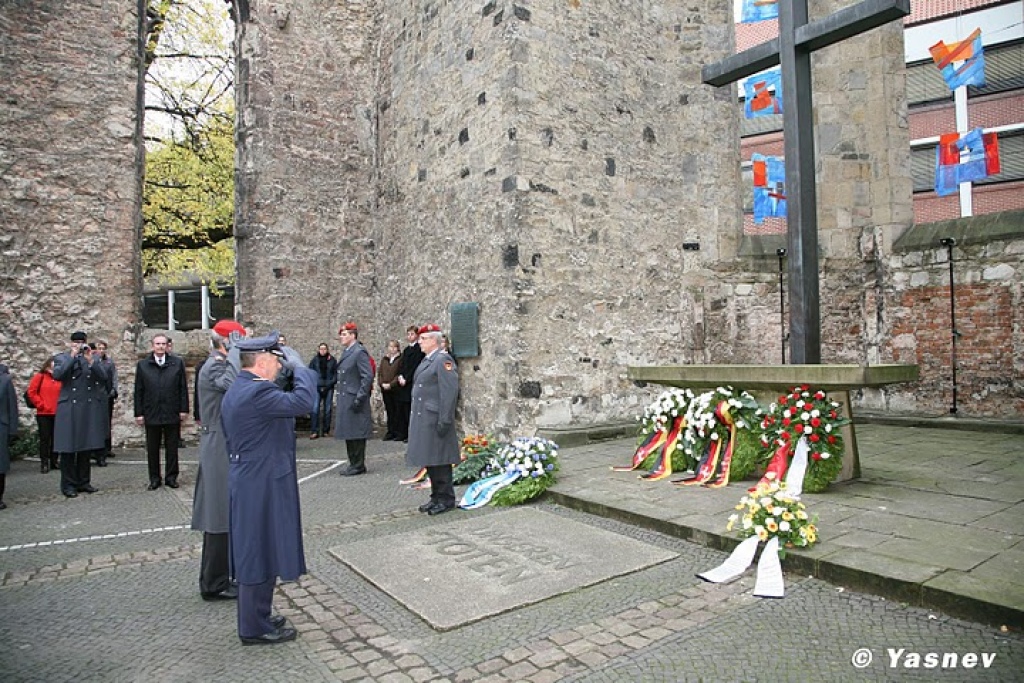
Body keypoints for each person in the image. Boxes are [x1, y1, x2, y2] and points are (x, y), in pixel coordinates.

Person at [220, 331, 314, 646]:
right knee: (256, 550)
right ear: (261, 362)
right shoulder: (257, 392)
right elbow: (304, 402)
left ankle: (259, 613)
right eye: (276, 359)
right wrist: (302, 369)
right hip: (259, 481)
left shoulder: (243, 387)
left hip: (255, 476)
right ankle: (253, 627)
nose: (280, 365)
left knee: (264, 546)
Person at [191, 320, 247, 602]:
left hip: (224, 442)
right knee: (217, 514)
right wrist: (236, 350)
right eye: (238, 341)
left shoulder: (222, 363)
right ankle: (214, 583)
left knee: (226, 513)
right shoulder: (214, 365)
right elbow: (233, 383)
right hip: (217, 445)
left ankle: (221, 576)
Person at [407, 324, 460, 516]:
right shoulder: (427, 360)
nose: (419, 342)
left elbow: (449, 392)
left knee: (441, 459)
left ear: (433, 340)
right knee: (430, 458)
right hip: (425, 417)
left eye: (423, 338)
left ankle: (446, 498)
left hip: (436, 417)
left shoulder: (442, 359)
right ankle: (436, 496)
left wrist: (445, 419)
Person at [52, 331, 110, 498]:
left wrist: (91, 360)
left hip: (87, 406)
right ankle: (68, 484)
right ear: (71, 343)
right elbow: (58, 375)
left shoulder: (92, 358)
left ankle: (84, 481)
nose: (78, 345)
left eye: (81, 342)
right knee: (68, 448)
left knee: (86, 446)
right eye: (75, 342)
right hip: (69, 406)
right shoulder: (62, 358)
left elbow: (104, 376)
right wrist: (72, 356)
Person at [134, 333, 189, 490]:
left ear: (167, 346)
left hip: (171, 410)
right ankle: (154, 478)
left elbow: (182, 388)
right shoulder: (143, 365)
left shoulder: (176, 363)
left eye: (163, 344)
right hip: (151, 411)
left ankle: (171, 477)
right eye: (158, 344)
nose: (160, 347)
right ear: (152, 346)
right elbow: (139, 390)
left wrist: (183, 409)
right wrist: (139, 413)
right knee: (152, 448)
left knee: (172, 447)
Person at [334, 322, 374, 475]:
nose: (341, 337)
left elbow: (367, 376)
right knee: (349, 431)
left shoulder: (359, 352)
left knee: (356, 432)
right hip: (346, 396)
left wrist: (360, 396)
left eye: (344, 334)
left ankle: (358, 464)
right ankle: (353, 463)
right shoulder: (348, 351)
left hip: (354, 396)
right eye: (341, 334)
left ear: (353, 335)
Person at [27, 357, 62, 473]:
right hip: (44, 413)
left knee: (56, 438)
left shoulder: (60, 378)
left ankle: (54, 460)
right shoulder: (40, 377)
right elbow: (31, 392)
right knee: (45, 438)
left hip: (57, 412)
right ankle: (44, 462)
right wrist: (40, 404)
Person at [394, 325, 425, 442]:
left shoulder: (418, 350)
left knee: (410, 409)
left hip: (411, 382)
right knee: (401, 409)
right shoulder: (407, 350)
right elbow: (402, 365)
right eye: (408, 334)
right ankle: (402, 432)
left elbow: (415, 366)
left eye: (412, 334)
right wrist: (400, 376)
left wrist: (406, 378)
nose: (410, 336)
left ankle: (411, 434)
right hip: (403, 383)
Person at [94, 340, 118, 466]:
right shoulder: (91, 361)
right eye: (99, 348)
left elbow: (114, 376)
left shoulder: (109, 362)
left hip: (105, 395)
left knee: (105, 423)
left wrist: (113, 390)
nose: (101, 351)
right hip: (93, 397)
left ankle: (104, 450)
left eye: (103, 348)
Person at [308, 343, 337, 439]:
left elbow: (335, 374)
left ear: (327, 350)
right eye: (321, 349)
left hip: (329, 386)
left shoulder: (332, 360)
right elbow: (310, 373)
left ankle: (326, 431)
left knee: (327, 409)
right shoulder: (314, 360)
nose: (323, 351)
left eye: (324, 349)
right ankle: (314, 431)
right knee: (315, 408)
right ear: (318, 350)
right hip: (317, 387)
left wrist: (330, 384)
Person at [0, 363, 18, 510]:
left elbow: (12, 407)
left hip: (1, 427)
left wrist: (12, 430)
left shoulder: (5, 381)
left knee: (0, 466)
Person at [377, 339, 403, 441]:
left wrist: (391, 384)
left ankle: (398, 432)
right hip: (385, 388)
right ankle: (390, 431)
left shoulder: (400, 359)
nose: (392, 349)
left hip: (395, 389)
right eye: (390, 347)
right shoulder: (385, 359)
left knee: (397, 410)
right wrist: (381, 383)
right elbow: (380, 373)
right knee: (389, 410)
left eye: (394, 347)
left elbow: (399, 373)